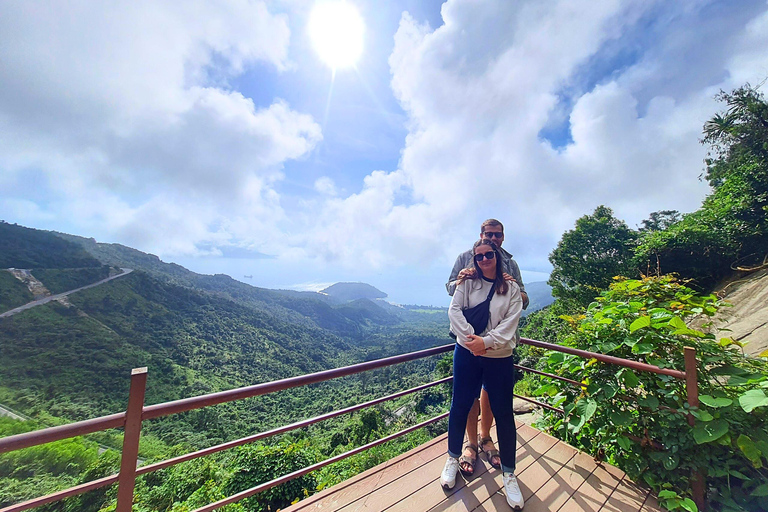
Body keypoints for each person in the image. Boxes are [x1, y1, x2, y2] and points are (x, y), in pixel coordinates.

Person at [441, 238, 525, 510]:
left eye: (489, 255)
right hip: (467, 352)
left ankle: (509, 474)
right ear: (474, 259)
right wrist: (472, 341)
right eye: (479, 256)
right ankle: (453, 458)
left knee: (503, 413)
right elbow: (453, 310)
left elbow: (511, 323)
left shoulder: (510, 287)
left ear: (498, 256)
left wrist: (485, 343)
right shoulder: (467, 282)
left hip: (498, 356)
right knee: (460, 406)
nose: (484, 259)